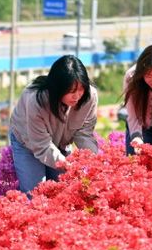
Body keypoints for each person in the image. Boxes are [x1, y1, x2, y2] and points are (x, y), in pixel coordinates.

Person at [9, 54, 98, 195]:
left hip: (60, 143)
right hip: (28, 143)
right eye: (71, 91)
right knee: (35, 193)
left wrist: (95, 160)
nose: (77, 96)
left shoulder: (89, 96)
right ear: (57, 88)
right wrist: (66, 164)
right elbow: (41, 145)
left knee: (64, 189)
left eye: (81, 89)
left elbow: (84, 133)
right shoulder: (36, 100)